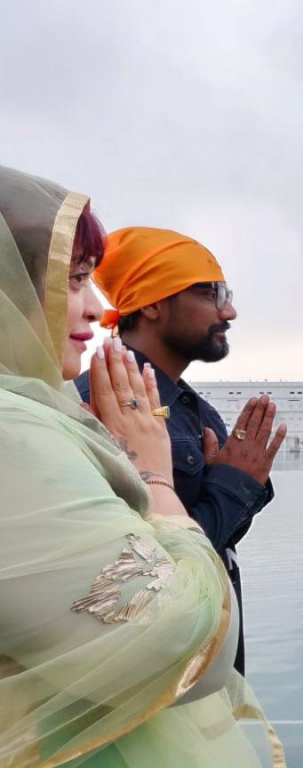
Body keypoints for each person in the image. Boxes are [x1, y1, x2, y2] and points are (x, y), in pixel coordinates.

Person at [0, 165, 284, 765]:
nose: (101, 308)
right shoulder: (65, 413)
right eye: (74, 278)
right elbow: (176, 644)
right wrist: (202, 482)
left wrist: (234, 487)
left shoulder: (175, 406)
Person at [75, 227, 286, 676]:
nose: (228, 311)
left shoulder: (188, 408)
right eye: (211, 294)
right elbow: (149, 571)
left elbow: (210, 539)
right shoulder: (106, 402)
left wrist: (228, 493)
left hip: (192, 666)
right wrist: (234, 487)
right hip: (146, 677)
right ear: (152, 303)